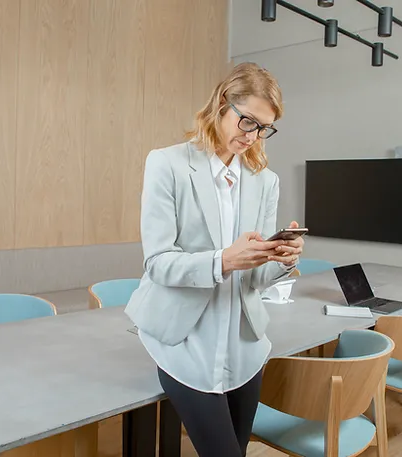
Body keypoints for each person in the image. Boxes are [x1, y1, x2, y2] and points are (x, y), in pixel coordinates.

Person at [124, 62, 305, 457]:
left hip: (245, 348)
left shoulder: (264, 181)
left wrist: (282, 259)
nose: (254, 136)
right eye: (248, 122)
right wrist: (223, 260)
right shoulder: (167, 164)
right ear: (222, 104)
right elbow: (157, 262)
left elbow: (254, 279)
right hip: (184, 344)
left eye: (264, 127)